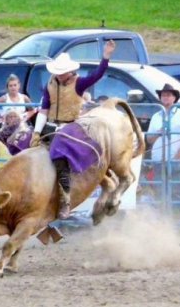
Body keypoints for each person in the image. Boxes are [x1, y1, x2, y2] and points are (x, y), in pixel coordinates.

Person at [30, 40, 116, 219]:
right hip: (51, 126)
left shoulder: (79, 83)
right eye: (58, 73)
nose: (59, 76)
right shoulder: (50, 85)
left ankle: (65, 200)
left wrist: (105, 57)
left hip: (71, 127)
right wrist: (36, 132)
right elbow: (44, 109)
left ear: (69, 71)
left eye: (62, 73)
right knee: (24, 147)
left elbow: (97, 75)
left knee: (59, 158)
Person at [147, 83, 180, 218]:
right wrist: (159, 132)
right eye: (163, 95)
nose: (166, 97)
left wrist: (179, 153)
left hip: (175, 157)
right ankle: (164, 221)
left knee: (178, 191)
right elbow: (149, 139)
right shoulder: (156, 116)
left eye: (169, 95)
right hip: (158, 157)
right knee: (160, 190)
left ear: (174, 98)